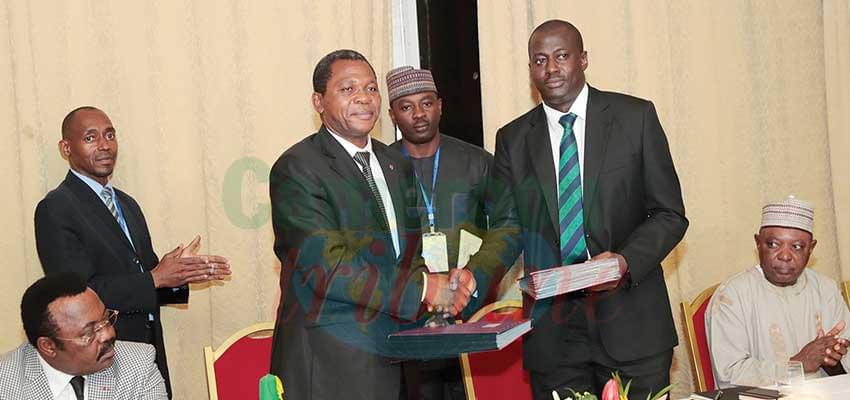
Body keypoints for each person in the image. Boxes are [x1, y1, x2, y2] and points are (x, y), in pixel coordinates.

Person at [487, 20, 688, 399]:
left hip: (633, 324)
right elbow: (507, 228)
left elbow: (669, 214)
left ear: (583, 59)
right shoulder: (512, 139)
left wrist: (624, 262)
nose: (551, 69)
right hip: (555, 336)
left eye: (561, 56)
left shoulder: (635, 118)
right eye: (540, 60)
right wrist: (473, 278)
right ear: (530, 69)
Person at [268, 49, 474, 400]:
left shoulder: (395, 163)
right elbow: (327, 269)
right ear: (318, 101)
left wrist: (442, 291)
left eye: (371, 88)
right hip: (332, 365)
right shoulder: (297, 168)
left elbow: (408, 255)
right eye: (348, 89)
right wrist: (424, 289)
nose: (364, 98)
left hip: (397, 356)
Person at [34, 106, 231, 397]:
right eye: (90, 138)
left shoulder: (127, 204)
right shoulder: (57, 208)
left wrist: (179, 275)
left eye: (110, 135)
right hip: (100, 359)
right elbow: (76, 296)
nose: (104, 145)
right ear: (66, 147)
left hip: (148, 354)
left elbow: (146, 276)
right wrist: (155, 278)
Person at [386, 66, 512, 400]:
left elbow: (508, 225)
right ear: (392, 115)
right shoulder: (382, 169)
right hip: (405, 318)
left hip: (470, 313)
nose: (419, 114)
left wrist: (477, 276)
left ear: (440, 105)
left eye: (426, 103)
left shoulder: (478, 162)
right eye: (406, 106)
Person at [707, 196, 850, 388]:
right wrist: (797, 365)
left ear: (811, 248)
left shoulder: (826, 289)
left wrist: (834, 356)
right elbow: (730, 375)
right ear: (758, 243)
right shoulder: (731, 296)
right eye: (773, 244)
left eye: (797, 247)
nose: (784, 255)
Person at [0, 272, 167, 400]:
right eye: (89, 333)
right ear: (48, 346)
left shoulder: (137, 364)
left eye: (107, 319)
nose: (108, 334)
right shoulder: (6, 384)